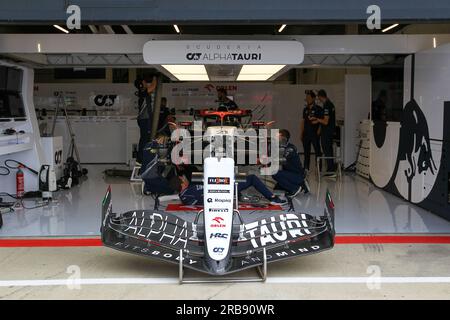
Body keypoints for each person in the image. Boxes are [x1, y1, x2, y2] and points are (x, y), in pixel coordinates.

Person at [179, 173, 287, 206]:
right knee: (252, 178)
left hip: (221, 184)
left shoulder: (188, 190)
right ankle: (272, 198)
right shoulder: (186, 195)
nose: (185, 179)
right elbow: (194, 202)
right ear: (181, 185)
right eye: (183, 180)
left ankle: (239, 195)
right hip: (224, 188)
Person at [273, 129, 310, 197]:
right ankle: (302, 185)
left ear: (284, 138)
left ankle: (295, 188)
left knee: (274, 173)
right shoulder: (282, 146)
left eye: (278, 137)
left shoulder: (290, 148)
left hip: (296, 175)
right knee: (276, 190)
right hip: (290, 173)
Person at [136, 75, 157, 165]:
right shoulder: (142, 91)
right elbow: (152, 87)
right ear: (141, 84)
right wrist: (155, 78)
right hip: (145, 119)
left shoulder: (143, 92)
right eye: (144, 82)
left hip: (145, 119)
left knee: (146, 139)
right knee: (145, 139)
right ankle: (140, 160)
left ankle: (142, 159)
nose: (146, 82)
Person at [316, 89, 337, 177]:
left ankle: (331, 170)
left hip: (327, 132)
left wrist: (317, 119)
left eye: (318, 97)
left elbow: (325, 121)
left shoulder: (327, 105)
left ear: (320, 97)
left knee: (327, 150)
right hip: (329, 131)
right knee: (329, 150)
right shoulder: (330, 104)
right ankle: (330, 169)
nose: (319, 99)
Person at [300, 90, 322, 172]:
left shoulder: (318, 109)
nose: (307, 99)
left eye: (309, 97)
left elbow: (321, 122)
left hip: (314, 133)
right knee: (306, 152)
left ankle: (319, 168)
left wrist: (319, 131)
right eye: (306, 98)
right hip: (306, 133)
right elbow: (303, 121)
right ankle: (306, 168)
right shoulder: (305, 109)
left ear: (313, 98)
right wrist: (301, 132)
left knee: (317, 151)